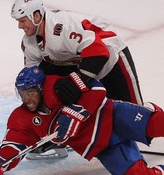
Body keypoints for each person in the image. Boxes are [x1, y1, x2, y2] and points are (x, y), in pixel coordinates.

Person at [0, 65, 164, 175]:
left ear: (41, 89)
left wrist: (75, 112)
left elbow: (97, 87)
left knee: (159, 124)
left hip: (113, 115)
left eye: (30, 93)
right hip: (103, 146)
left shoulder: (57, 86)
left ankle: (149, 110)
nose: (27, 99)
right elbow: (13, 147)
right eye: (22, 94)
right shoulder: (21, 119)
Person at [11, 0, 143, 106]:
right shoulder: (28, 43)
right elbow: (35, 76)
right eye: (18, 21)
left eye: (22, 21)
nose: (19, 26)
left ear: (36, 16)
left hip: (110, 56)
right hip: (78, 60)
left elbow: (99, 52)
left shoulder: (62, 27)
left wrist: (76, 81)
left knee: (134, 111)